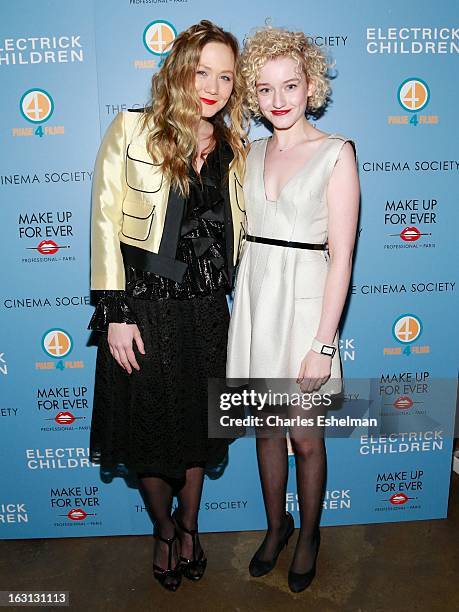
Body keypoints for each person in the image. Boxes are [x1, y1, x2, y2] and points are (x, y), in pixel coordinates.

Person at [88, 20, 246, 591]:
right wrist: (115, 314)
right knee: (152, 439)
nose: (213, 85)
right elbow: (105, 221)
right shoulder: (133, 129)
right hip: (146, 310)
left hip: (207, 313)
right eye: (202, 70)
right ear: (179, 68)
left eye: (226, 75)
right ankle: (163, 531)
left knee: (198, 430)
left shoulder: (233, 148)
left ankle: (191, 526)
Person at [227, 27, 360, 592]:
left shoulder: (337, 153)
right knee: (265, 431)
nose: (278, 100)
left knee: (305, 437)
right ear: (253, 96)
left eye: (290, 86)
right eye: (264, 89)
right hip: (257, 305)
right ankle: (275, 526)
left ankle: (309, 534)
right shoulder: (250, 153)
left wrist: (323, 343)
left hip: (307, 311)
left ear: (312, 86)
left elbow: (343, 257)